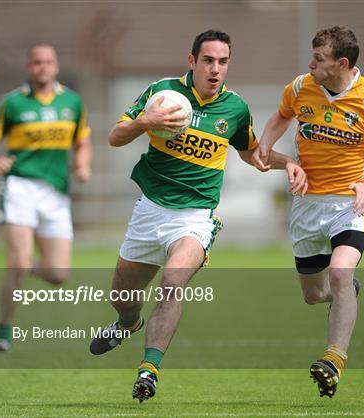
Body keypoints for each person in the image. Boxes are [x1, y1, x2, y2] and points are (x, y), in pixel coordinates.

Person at [89, 29, 306, 403]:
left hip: (195, 217)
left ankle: (149, 370)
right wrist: (146, 123)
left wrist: (290, 164)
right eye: (208, 60)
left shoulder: (235, 108)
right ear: (192, 61)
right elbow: (114, 135)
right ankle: (128, 322)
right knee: (122, 298)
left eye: (223, 62)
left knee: (173, 280)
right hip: (151, 209)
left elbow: (254, 153)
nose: (215, 69)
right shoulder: (162, 93)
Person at [252, 26, 364, 398]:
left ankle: (333, 360)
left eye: (318, 59)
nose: (310, 64)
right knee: (314, 295)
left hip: (350, 205)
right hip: (307, 205)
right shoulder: (301, 87)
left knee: (339, 269)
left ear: (342, 64)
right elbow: (280, 117)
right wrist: (266, 146)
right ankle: (344, 291)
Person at [0, 43, 92, 352]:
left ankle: (26, 265)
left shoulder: (73, 102)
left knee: (58, 274)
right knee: (19, 260)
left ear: (56, 66)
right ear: (29, 67)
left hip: (56, 193)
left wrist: (82, 164)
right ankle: (4, 332)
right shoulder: (11, 103)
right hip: (20, 187)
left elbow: (83, 141)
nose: (43, 67)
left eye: (49, 62)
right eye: (37, 62)